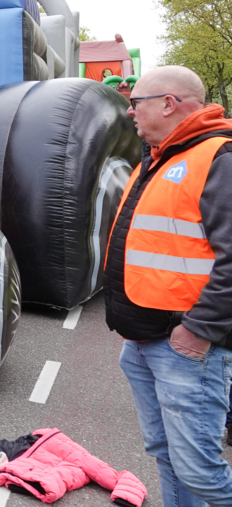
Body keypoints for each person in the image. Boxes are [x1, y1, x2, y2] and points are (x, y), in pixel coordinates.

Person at [104, 65, 232, 506]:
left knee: (201, 472)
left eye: (135, 102)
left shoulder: (217, 159)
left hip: (185, 347)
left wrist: (198, 330)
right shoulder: (162, 157)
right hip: (145, 338)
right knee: (167, 456)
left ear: (168, 104)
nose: (129, 111)